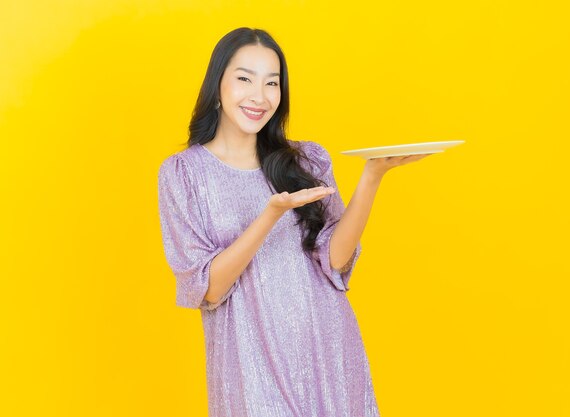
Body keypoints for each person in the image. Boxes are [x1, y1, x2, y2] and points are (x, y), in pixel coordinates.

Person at [157, 27, 431, 417]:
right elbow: (210, 289)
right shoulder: (183, 174)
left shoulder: (306, 160)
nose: (260, 95)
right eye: (244, 79)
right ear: (217, 83)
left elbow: (335, 261)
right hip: (249, 365)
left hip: (328, 352)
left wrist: (372, 177)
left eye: (273, 82)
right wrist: (270, 215)